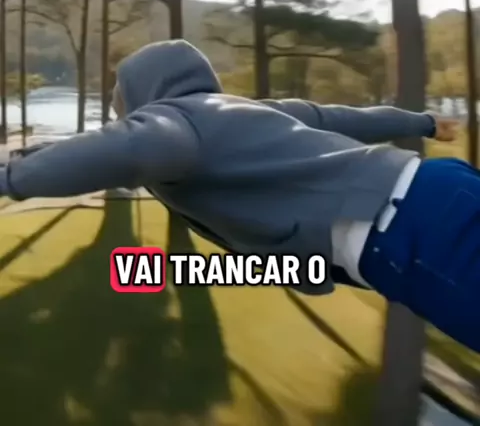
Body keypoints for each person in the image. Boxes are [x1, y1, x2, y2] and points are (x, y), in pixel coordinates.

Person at [0, 40, 477, 353]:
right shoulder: (244, 112)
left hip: (410, 231)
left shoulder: (173, 124)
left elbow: (138, 145)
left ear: (142, 96)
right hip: (437, 186)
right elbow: (345, 117)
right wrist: (423, 122)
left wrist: (10, 179)